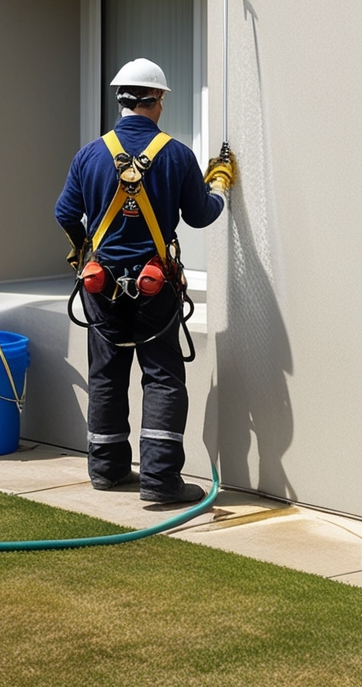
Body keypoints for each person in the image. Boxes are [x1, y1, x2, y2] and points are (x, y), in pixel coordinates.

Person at [54, 57, 236, 505]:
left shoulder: (91, 153)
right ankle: (159, 479)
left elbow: (63, 213)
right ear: (156, 100)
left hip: (102, 285)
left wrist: (83, 253)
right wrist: (219, 187)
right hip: (156, 287)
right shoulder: (175, 155)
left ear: (120, 100)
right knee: (162, 377)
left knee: (107, 374)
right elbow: (199, 215)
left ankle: (107, 469)